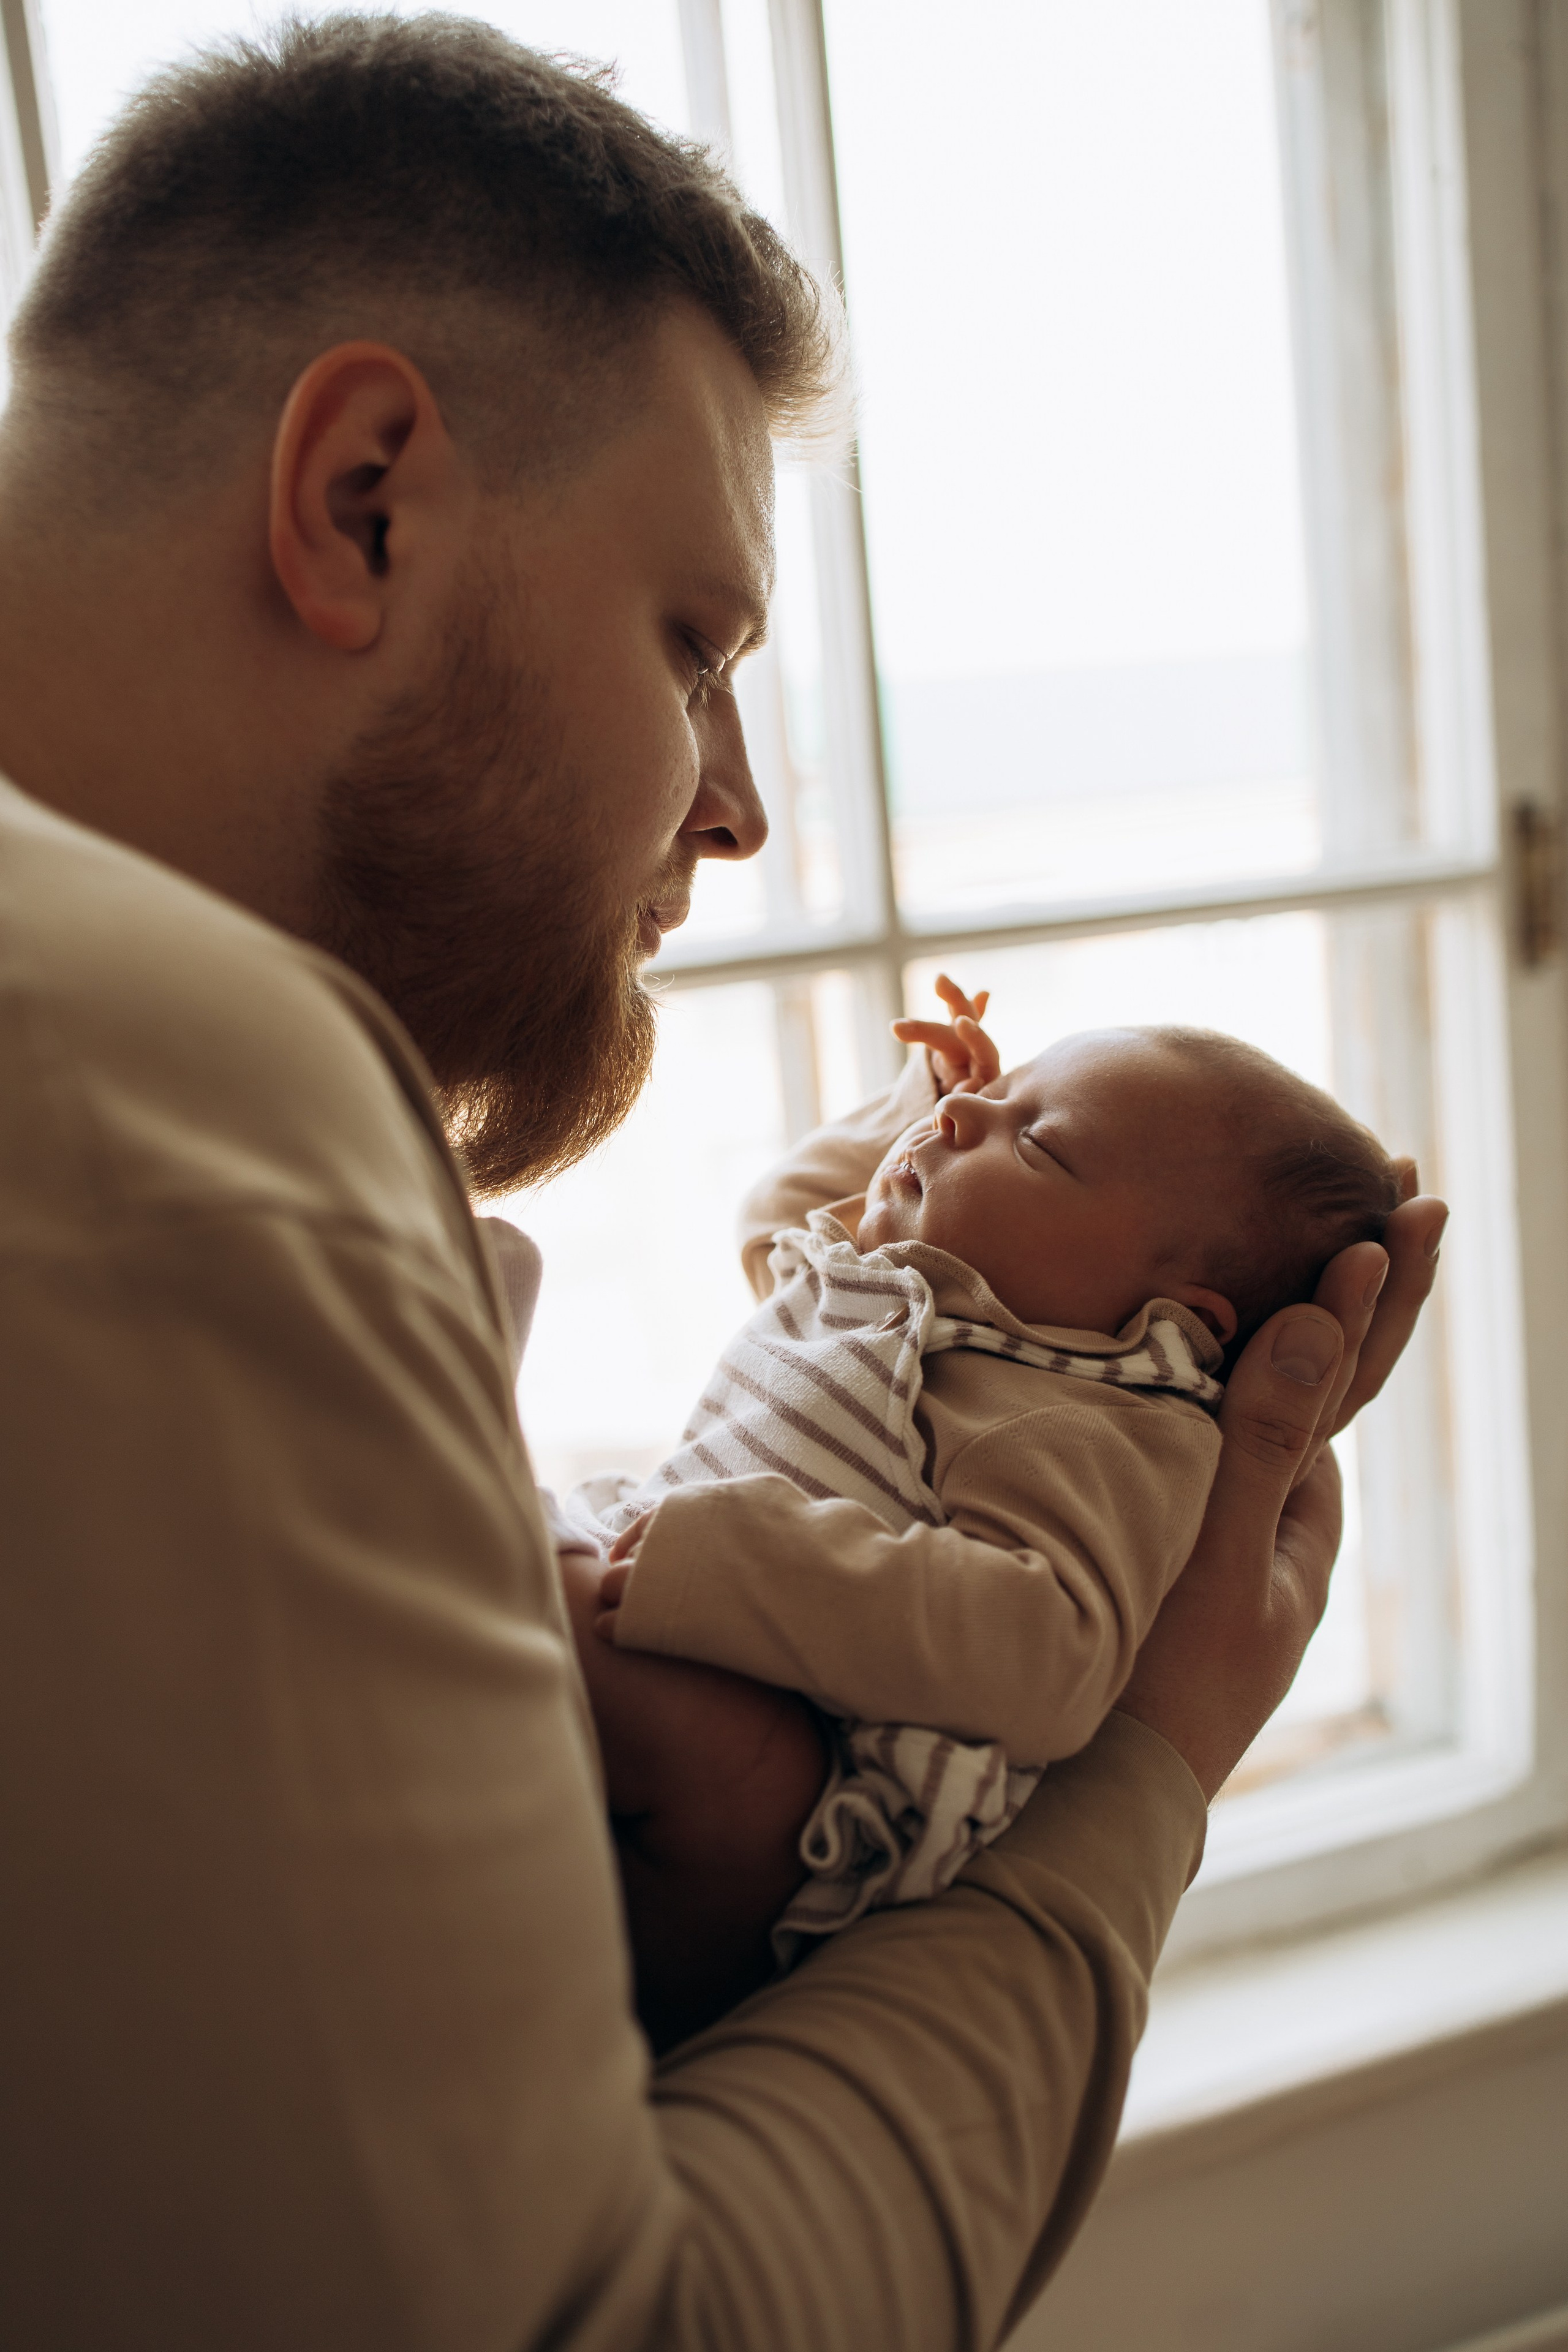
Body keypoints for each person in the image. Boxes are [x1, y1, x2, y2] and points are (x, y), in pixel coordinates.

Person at [0, 17, 1446, 2351]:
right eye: (696, 641)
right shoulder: (182, 1136)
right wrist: (1157, 1763)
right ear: (363, 495)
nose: (744, 806)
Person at [561, 982, 1401, 2027]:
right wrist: (919, 1098)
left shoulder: (1078, 1416)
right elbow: (772, 1216)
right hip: (678, 1623)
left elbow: (1047, 1654)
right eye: (998, 1092)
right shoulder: (901, 1288)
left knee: (518, 1588)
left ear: (1177, 1319)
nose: (963, 1121)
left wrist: (744, 1566)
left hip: (784, 1797)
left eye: (1037, 1145)